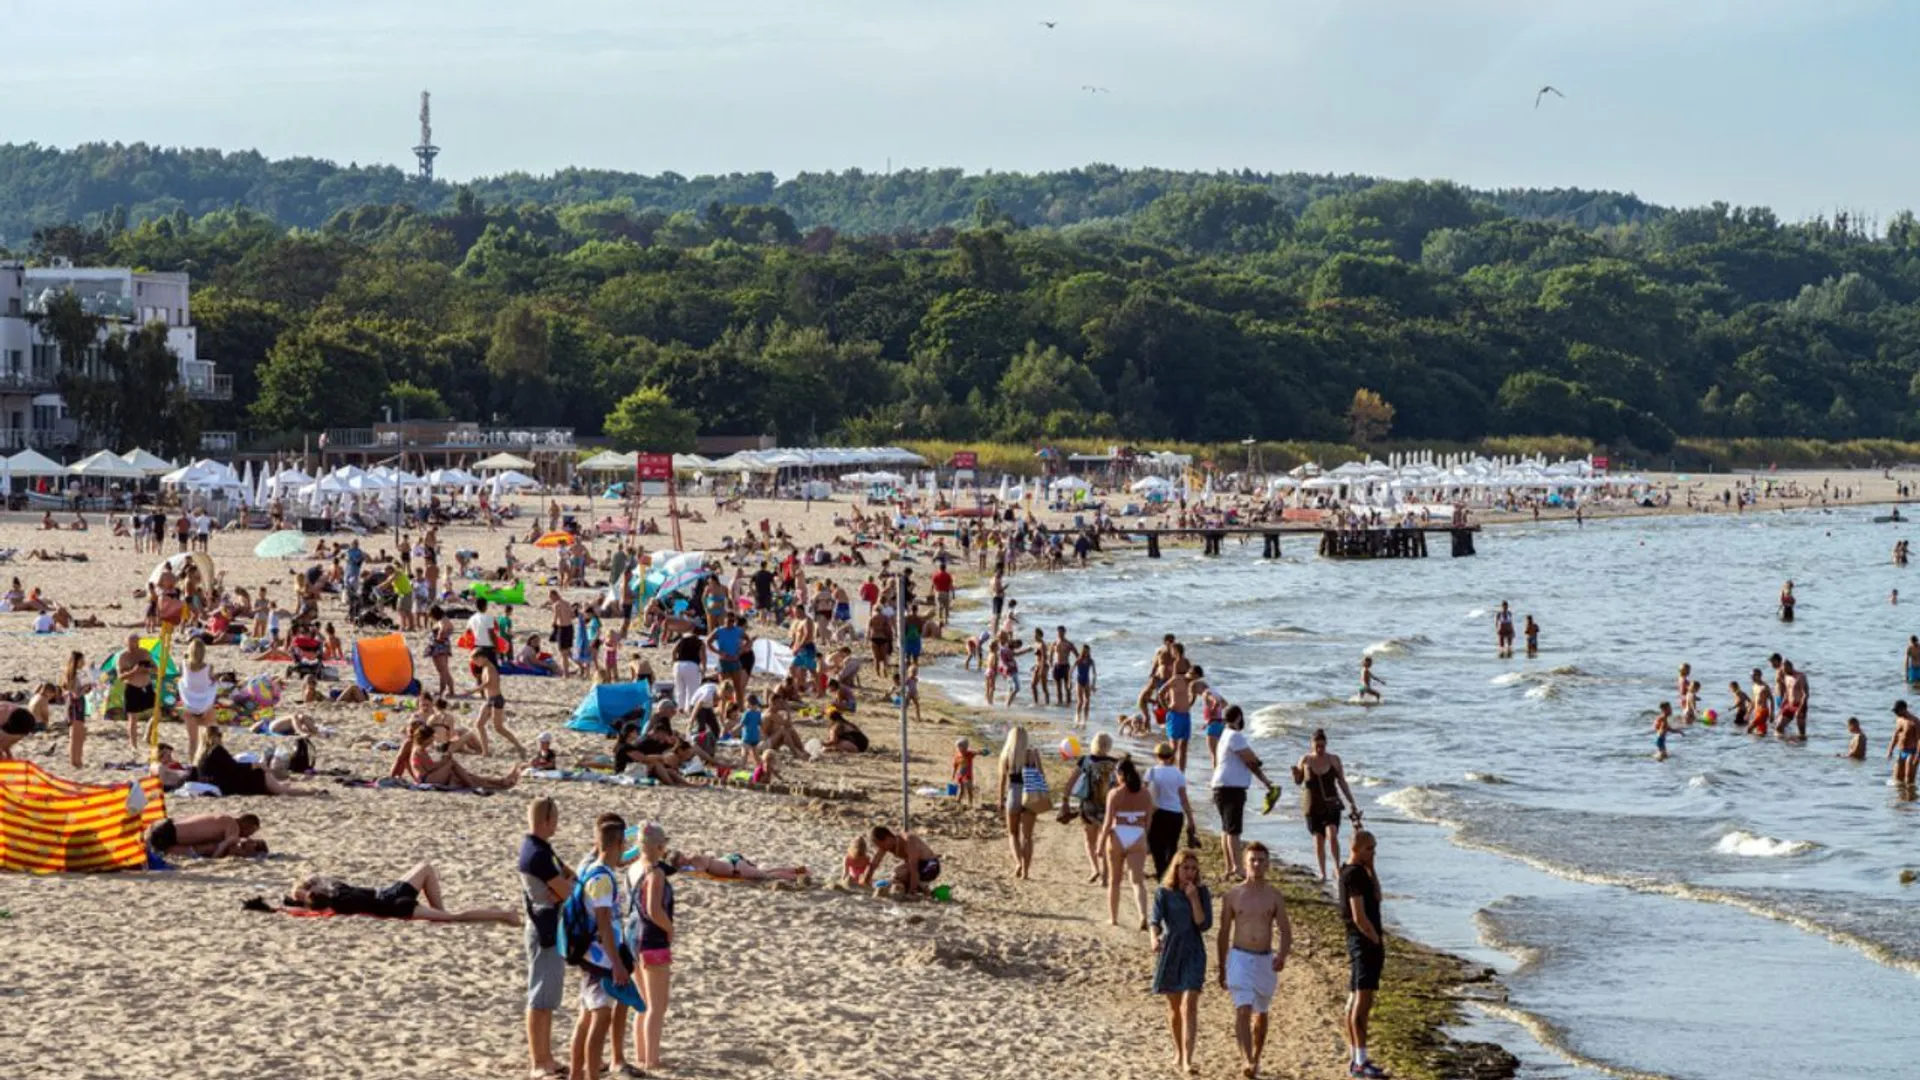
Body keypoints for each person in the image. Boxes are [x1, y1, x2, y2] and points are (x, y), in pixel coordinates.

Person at [1217, 842, 1293, 1080]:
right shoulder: (1233, 895)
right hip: (1239, 956)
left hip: (1264, 959)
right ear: (1244, 863)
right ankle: (1246, 1059)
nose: (1257, 865)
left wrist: (1282, 954)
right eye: (1253, 860)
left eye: (1261, 860)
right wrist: (1221, 966)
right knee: (1243, 1009)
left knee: (1261, 1012)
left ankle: (1256, 1058)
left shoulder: (1274, 896)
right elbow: (1223, 932)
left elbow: (1285, 929)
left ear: (1268, 864)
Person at [570, 819, 631, 1080]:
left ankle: (576, 1074)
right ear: (618, 844)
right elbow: (605, 925)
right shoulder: (603, 878)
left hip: (589, 955)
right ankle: (590, 1075)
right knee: (601, 1017)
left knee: (585, 1018)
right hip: (601, 959)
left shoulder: (590, 869)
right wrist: (617, 964)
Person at [520, 797, 574, 1080]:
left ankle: (547, 1058)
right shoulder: (536, 853)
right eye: (555, 819)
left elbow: (568, 879)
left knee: (548, 997)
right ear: (546, 821)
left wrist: (564, 887)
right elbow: (566, 890)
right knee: (540, 997)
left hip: (550, 923)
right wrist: (563, 889)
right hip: (544, 928)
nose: (557, 824)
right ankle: (538, 1061)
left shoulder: (541, 848)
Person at [286, 862, 517, 924]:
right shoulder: (336, 898)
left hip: (389, 896)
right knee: (453, 917)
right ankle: (504, 914)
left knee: (425, 868)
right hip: (395, 904)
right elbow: (300, 894)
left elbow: (303, 888)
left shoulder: (332, 892)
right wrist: (303, 895)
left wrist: (303, 893)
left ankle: (440, 911)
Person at [1151, 850, 1213, 1076]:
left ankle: (1188, 1059)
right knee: (1174, 1007)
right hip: (1171, 949)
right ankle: (1178, 1051)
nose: (1189, 872)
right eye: (1185, 867)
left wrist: (1194, 898)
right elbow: (1155, 920)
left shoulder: (1202, 892)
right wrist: (1154, 938)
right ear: (1176, 868)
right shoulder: (1164, 892)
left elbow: (1203, 924)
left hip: (1194, 950)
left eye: (1193, 868)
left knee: (1189, 1004)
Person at [1211, 706, 1278, 879]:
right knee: (1234, 830)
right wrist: (1262, 772)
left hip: (1220, 785)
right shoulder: (1235, 736)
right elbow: (1251, 759)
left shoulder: (1224, 735)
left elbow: (1250, 763)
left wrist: (1264, 781)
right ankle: (1238, 868)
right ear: (1239, 717)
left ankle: (1229, 867)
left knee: (1226, 829)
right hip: (1232, 787)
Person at [1341, 831, 1387, 1078]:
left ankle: (1357, 1058)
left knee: (1356, 1000)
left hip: (1362, 943)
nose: (1373, 853)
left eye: (1374, 848)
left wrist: (1373, 868)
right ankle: (1359, 1061)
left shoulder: (1359, 872)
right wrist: (1374, 939)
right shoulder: (1353, 875)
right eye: (1369, 849)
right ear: (1357, 848)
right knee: (1362, 1001)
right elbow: (1359, 916)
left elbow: (1378, 896)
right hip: (1363, 944)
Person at [632, 822, 675, 1073]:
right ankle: (652, 1059)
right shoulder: (655, 873)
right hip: (652, 939)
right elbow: (653, 909)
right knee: (657, 1006)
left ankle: (642, 1053)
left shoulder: (635, 867)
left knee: (643, 1003)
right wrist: (669, 928)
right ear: (659, 847)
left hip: (634, 938)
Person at [1293, 729, 1361, 881]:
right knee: (1318, 839)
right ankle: (1322, 872)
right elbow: (1298, 782)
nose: (1320, 749)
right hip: (1312, 805)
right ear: (1311, 745)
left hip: (1331, 804)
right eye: (1317, 746)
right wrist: (1296, 774)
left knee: (1332, 835)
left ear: (1326, 744)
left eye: (1322, 746)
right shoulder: (1305, 760)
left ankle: (1337, 868)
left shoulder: (1334, 760)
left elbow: (1342, 782)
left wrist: (1351, 801)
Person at [1099, 758, 1155, 929]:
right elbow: (1149, 819)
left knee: (1115, 881)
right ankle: (1143, 915)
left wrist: (1100, 845)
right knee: (1137, 881)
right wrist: (1144, 835)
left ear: (1120, 774)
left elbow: (1108, 822)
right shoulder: (1145, 793)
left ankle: (1113, 918)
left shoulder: (1115, 793)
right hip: (1137, 834)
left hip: (1118, 834)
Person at [1146, 741, 1199, 881]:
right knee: (1171, 845)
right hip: (1175, 814)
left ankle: (1161, 872)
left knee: (1156, 845)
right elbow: (1183, 798)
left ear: (1157, 755)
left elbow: (1144, 793)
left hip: (1157, 813)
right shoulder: (1178, 773)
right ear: (1171, 755)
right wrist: (1191, 820)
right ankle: (1169, 874)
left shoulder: (1151, 772)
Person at [1071, 733, 1119, 885]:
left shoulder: (1085, 761)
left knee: (1089, 840)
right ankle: (1105, 877)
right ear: (1109, 745)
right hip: (1108, 808)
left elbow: (1072, 781)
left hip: (1088, 807)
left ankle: (1094, 868)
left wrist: (1065, 800)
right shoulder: (1115, 763)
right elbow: (1119, 786)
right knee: (1105, 842)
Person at [997, 725, 1042, 879]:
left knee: (1013, 833)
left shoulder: (1006, 755)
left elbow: (1002, 780)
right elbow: (1040, 774)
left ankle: (1017, 862)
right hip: (1030, 793)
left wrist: (1000, 800)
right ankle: (1026, 872)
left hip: (1014, 793)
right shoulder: (1032, 753)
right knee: (1028, 837)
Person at [862, 825, 941, 895]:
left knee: (899, 873)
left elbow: (914, 868)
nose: (883, 849)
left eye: (883, 845)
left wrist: (911, 893)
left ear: (889, 838)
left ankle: (920, 888)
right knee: (895, 879)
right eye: (880, 847)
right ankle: (926, 891)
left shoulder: (909, 841)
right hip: (917, 868)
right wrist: (865, 882)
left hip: (930, 866)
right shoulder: (887, 845)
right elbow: (874, 863)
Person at [145, 813, 266, 858]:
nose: (248, 835)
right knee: (212, 847)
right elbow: (222, 849)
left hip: (166, 829)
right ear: (248, 825)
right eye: (251, 832)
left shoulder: (222, 818)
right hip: (167, 835)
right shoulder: (233, 825)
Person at [1888, 700, 1920, 786]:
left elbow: (1919, 739)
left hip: (1912, 752)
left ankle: (1910, 797)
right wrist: (1890, 750)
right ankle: (1900, 797)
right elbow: (1895, 735)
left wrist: (1917, 755)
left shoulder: (1914, 721)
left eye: (1896, 711)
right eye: (1894, 711)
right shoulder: (1899, 719)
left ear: (1903, 709)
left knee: (1909, 780)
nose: (1895, 713)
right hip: (1901, 751)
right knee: (1896, 779)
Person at [951, 736, 978, 808]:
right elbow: (955, 766)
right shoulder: (957, 756)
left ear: (966, 747)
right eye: (958, 747)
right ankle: (958, 801)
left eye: (962, 747)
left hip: (968, 775)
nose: (960, 749)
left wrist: (982, 752)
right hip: (960, 775)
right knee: (961, 789)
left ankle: (970, 803)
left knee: (969, 789)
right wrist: (953, 775)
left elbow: (976, 752)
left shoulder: (969, 754)